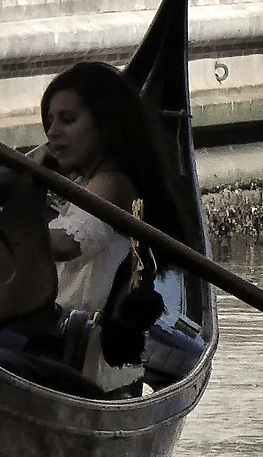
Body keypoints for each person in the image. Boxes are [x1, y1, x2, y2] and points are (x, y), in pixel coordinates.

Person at [35, 61, 185, 317]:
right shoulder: (92, 181)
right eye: (50, 121)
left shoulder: (111, 182)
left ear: (106, 124)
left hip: (76, 340)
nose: (52, 132)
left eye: (67, 120)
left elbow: (67, 244)